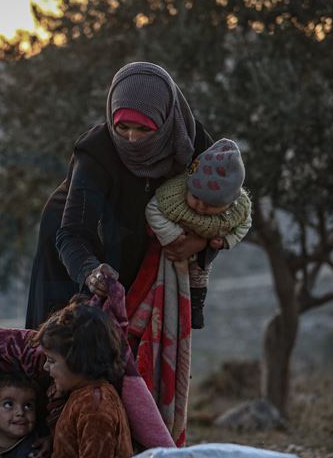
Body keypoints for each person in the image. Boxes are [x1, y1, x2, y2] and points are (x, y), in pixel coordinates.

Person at [25, 61, 215, 329]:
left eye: (144, 129)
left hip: (141, 243)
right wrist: (91, 273)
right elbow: (73, 233)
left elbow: (227, 209)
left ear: (166, 119)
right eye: (122, 127)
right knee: (69, 339)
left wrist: (200, 243)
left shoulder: (193, 143)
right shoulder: (96, 153)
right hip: (77, 247)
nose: (132, 138)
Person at [0, 297, 133, 458]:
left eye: (51, 361)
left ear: (79, 360)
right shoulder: (82, 394)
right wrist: (55, 441)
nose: (45, 368)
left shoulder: (96, 408)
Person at [145, 138, 252, 329]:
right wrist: (173, 235)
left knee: (200, 275)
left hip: (203, 253)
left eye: (211, 204)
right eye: (195, 197)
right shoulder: (174, 196)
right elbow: (153, 209)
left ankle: (195, 308)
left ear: (229, 203)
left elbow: (244, 225)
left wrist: (226, 240)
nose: (200, 207)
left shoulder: (238, 210)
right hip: (167, 252)